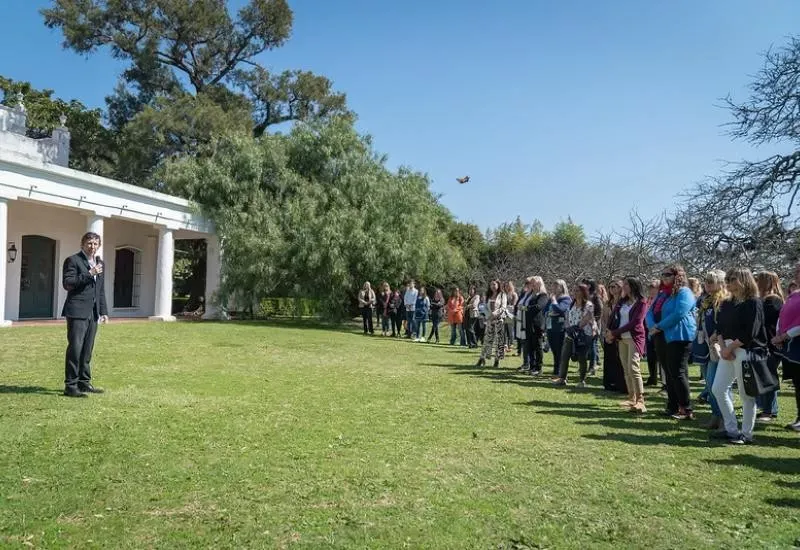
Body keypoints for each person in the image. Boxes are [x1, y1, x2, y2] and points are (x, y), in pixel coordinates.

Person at [711, 268, 768, 445]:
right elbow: (719, 327)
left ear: (743, 280)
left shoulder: (753, 302)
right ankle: (731, 429)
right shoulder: (727, 303)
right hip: (727, 348)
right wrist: (722, 346)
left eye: (732, 279)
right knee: (718, 389)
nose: (728, 283)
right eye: (727, 279)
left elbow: (751, 331)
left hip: (745, 349)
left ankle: (746, 434)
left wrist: (732, 347)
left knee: (746, 394)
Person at [647, 264, 697, 420]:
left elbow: (679, 313)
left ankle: (686, 409)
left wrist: (659, 326)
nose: (664, 277)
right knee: (668, 373)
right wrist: (652, 327)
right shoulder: (662, 294)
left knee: (678, 373)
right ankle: (672, 406)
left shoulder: (684, 293)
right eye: (662, 274)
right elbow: (649, 312)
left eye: (668, 274)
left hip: (678, 336)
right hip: (661, 336)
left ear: (677, 276)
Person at [62, 231, 109, 398]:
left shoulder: (99, 263)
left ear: (99, 246)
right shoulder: (73, 260)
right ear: (82, 244)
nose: (92, 247)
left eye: (96, 244)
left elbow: (100, 290)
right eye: (89, 243)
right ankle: (71, 386)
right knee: (75, 349)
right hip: (77, 311)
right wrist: (90, 274)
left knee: (87, 350)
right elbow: (68, 283)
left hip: (93, 312)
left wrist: (103, 311)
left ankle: (84, 382)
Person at [697, 270, 731, 431]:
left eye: (711, 281)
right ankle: (716, 416)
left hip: (722, 346)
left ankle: (726, 419)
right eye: (706, 281)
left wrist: (716, 336)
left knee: (721, 385)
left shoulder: (724, 301)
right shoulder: (706, 301)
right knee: (711, 385)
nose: (707, 284)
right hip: (709, 347)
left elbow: (724, 323)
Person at [608, 277, 648, 412]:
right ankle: (631, 397)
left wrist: (615, 332)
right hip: (622, 339)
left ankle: (641, 400)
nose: (623, 286)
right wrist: (611, 331)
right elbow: (614, 317)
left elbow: (635, 323)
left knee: (633, 367)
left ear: (634, 286)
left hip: (634, 338)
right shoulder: (622, 302)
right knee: (626, 368)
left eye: (626, 284)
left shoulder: (642, 302)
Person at [773, 263, 800, 432]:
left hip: (795, 340)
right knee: (799, 384)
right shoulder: (795, 295)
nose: (797, 274)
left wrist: (784, 336)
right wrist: (779, 334)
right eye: (797, 271)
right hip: (793, 346)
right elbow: (782, 316)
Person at [754, 271, 784, 423]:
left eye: (758, 280)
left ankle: (769, 410)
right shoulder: (761, 299)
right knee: (763, 375)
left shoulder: (773, 301)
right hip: (762, 345)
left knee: (769, 376)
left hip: (771, 345)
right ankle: (766, 408)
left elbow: (764, 321)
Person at [553, 284, 596, 388]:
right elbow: (567, 317)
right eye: (574, 290)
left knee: (582, 358)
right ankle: (562, 378)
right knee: (564, 356)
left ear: (583, 292)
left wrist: (577, 327)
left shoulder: (588, 305)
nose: (575, 293)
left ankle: (582, 380)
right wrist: (568, 328)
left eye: (578, 291)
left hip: (583, 334)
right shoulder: (572, 304)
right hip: (570, 335)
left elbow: (587, 318)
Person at [602, 280, 627, 394]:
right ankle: (609, 383)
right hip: (608, 334)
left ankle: (620, 383)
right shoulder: (607, 303)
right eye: (610, 287)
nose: (612, 289)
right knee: (609, 359)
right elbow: (604, 319)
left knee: (619, 360)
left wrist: (615, 333)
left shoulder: (624, 302)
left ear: (620, 288)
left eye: (614, 286)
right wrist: (606, 333)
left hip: (619, 334)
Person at [476, 280, 507, 368]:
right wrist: (489, 315)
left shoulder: (502, 295)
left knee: (498, 341)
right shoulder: (488, 295)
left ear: (498, 285)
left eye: (494, 284)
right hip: (490, 320)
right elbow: (485, 307)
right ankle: (482, 358)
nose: (492, 286)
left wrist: (495, 313)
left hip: (499, 320)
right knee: (487, 339)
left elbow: (503, 307)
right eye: (491, 284)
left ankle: (497, 360)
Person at [546, 280, 572, 377]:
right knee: (554, 350)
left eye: (557, 286)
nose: (554, 288)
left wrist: (554, 302)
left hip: (560, 328)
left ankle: (559, 372)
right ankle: (556, 370)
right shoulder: (552, 297)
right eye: (553, 285)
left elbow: (560, 309)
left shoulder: (566, 299)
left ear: (562, 287)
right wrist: (549, 312)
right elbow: (545, 309)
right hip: (550, 326)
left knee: (559, 350)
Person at [525, 276, 549, 375]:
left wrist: (526, 308)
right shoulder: (531, 295)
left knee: (538, 346)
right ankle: (532, 366)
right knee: (530, 346)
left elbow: (539, 306)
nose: (532, 285)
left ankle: (539, 368)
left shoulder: (543, 295)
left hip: (537, 324)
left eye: (534, 283)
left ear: (539, 283)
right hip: (529, 323)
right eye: (531, 283)